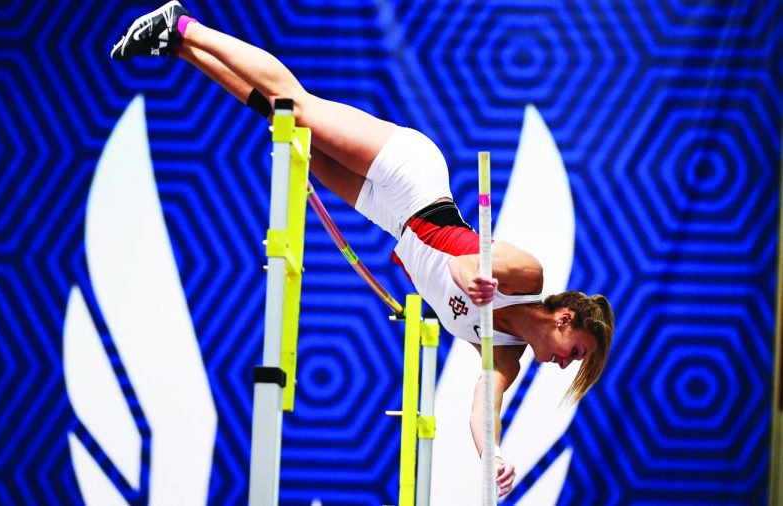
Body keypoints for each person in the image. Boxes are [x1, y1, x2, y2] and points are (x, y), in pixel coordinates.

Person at [111, 2, 615, 498]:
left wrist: (494, 455)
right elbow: (463, 262)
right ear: (565, 318)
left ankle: (179, 49)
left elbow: (482, 410)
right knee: (296, 104)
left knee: (282, 123)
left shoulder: (505, 356)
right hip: (412, 180)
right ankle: (185, 23)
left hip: (390, 217)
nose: (565, 364)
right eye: (576, 354)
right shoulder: (529, 275)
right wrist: (472, 281)